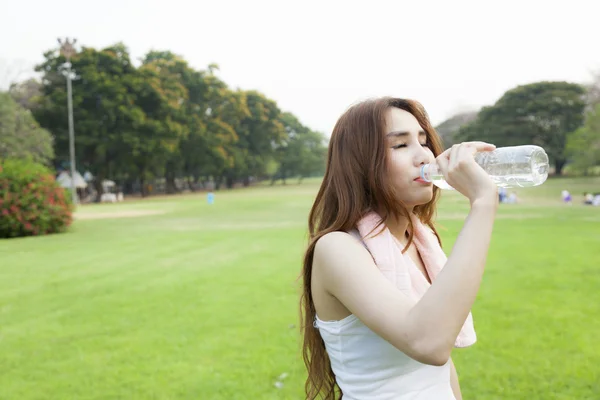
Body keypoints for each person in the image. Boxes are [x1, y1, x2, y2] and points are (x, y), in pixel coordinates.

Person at [300, 97, 499, 400]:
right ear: (360, 163)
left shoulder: (421, 240)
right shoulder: (337, 249)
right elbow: (428, 342)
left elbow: (441, 367)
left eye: (423, 141)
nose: (425, 157)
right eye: (400, 145)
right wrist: (483, 203)